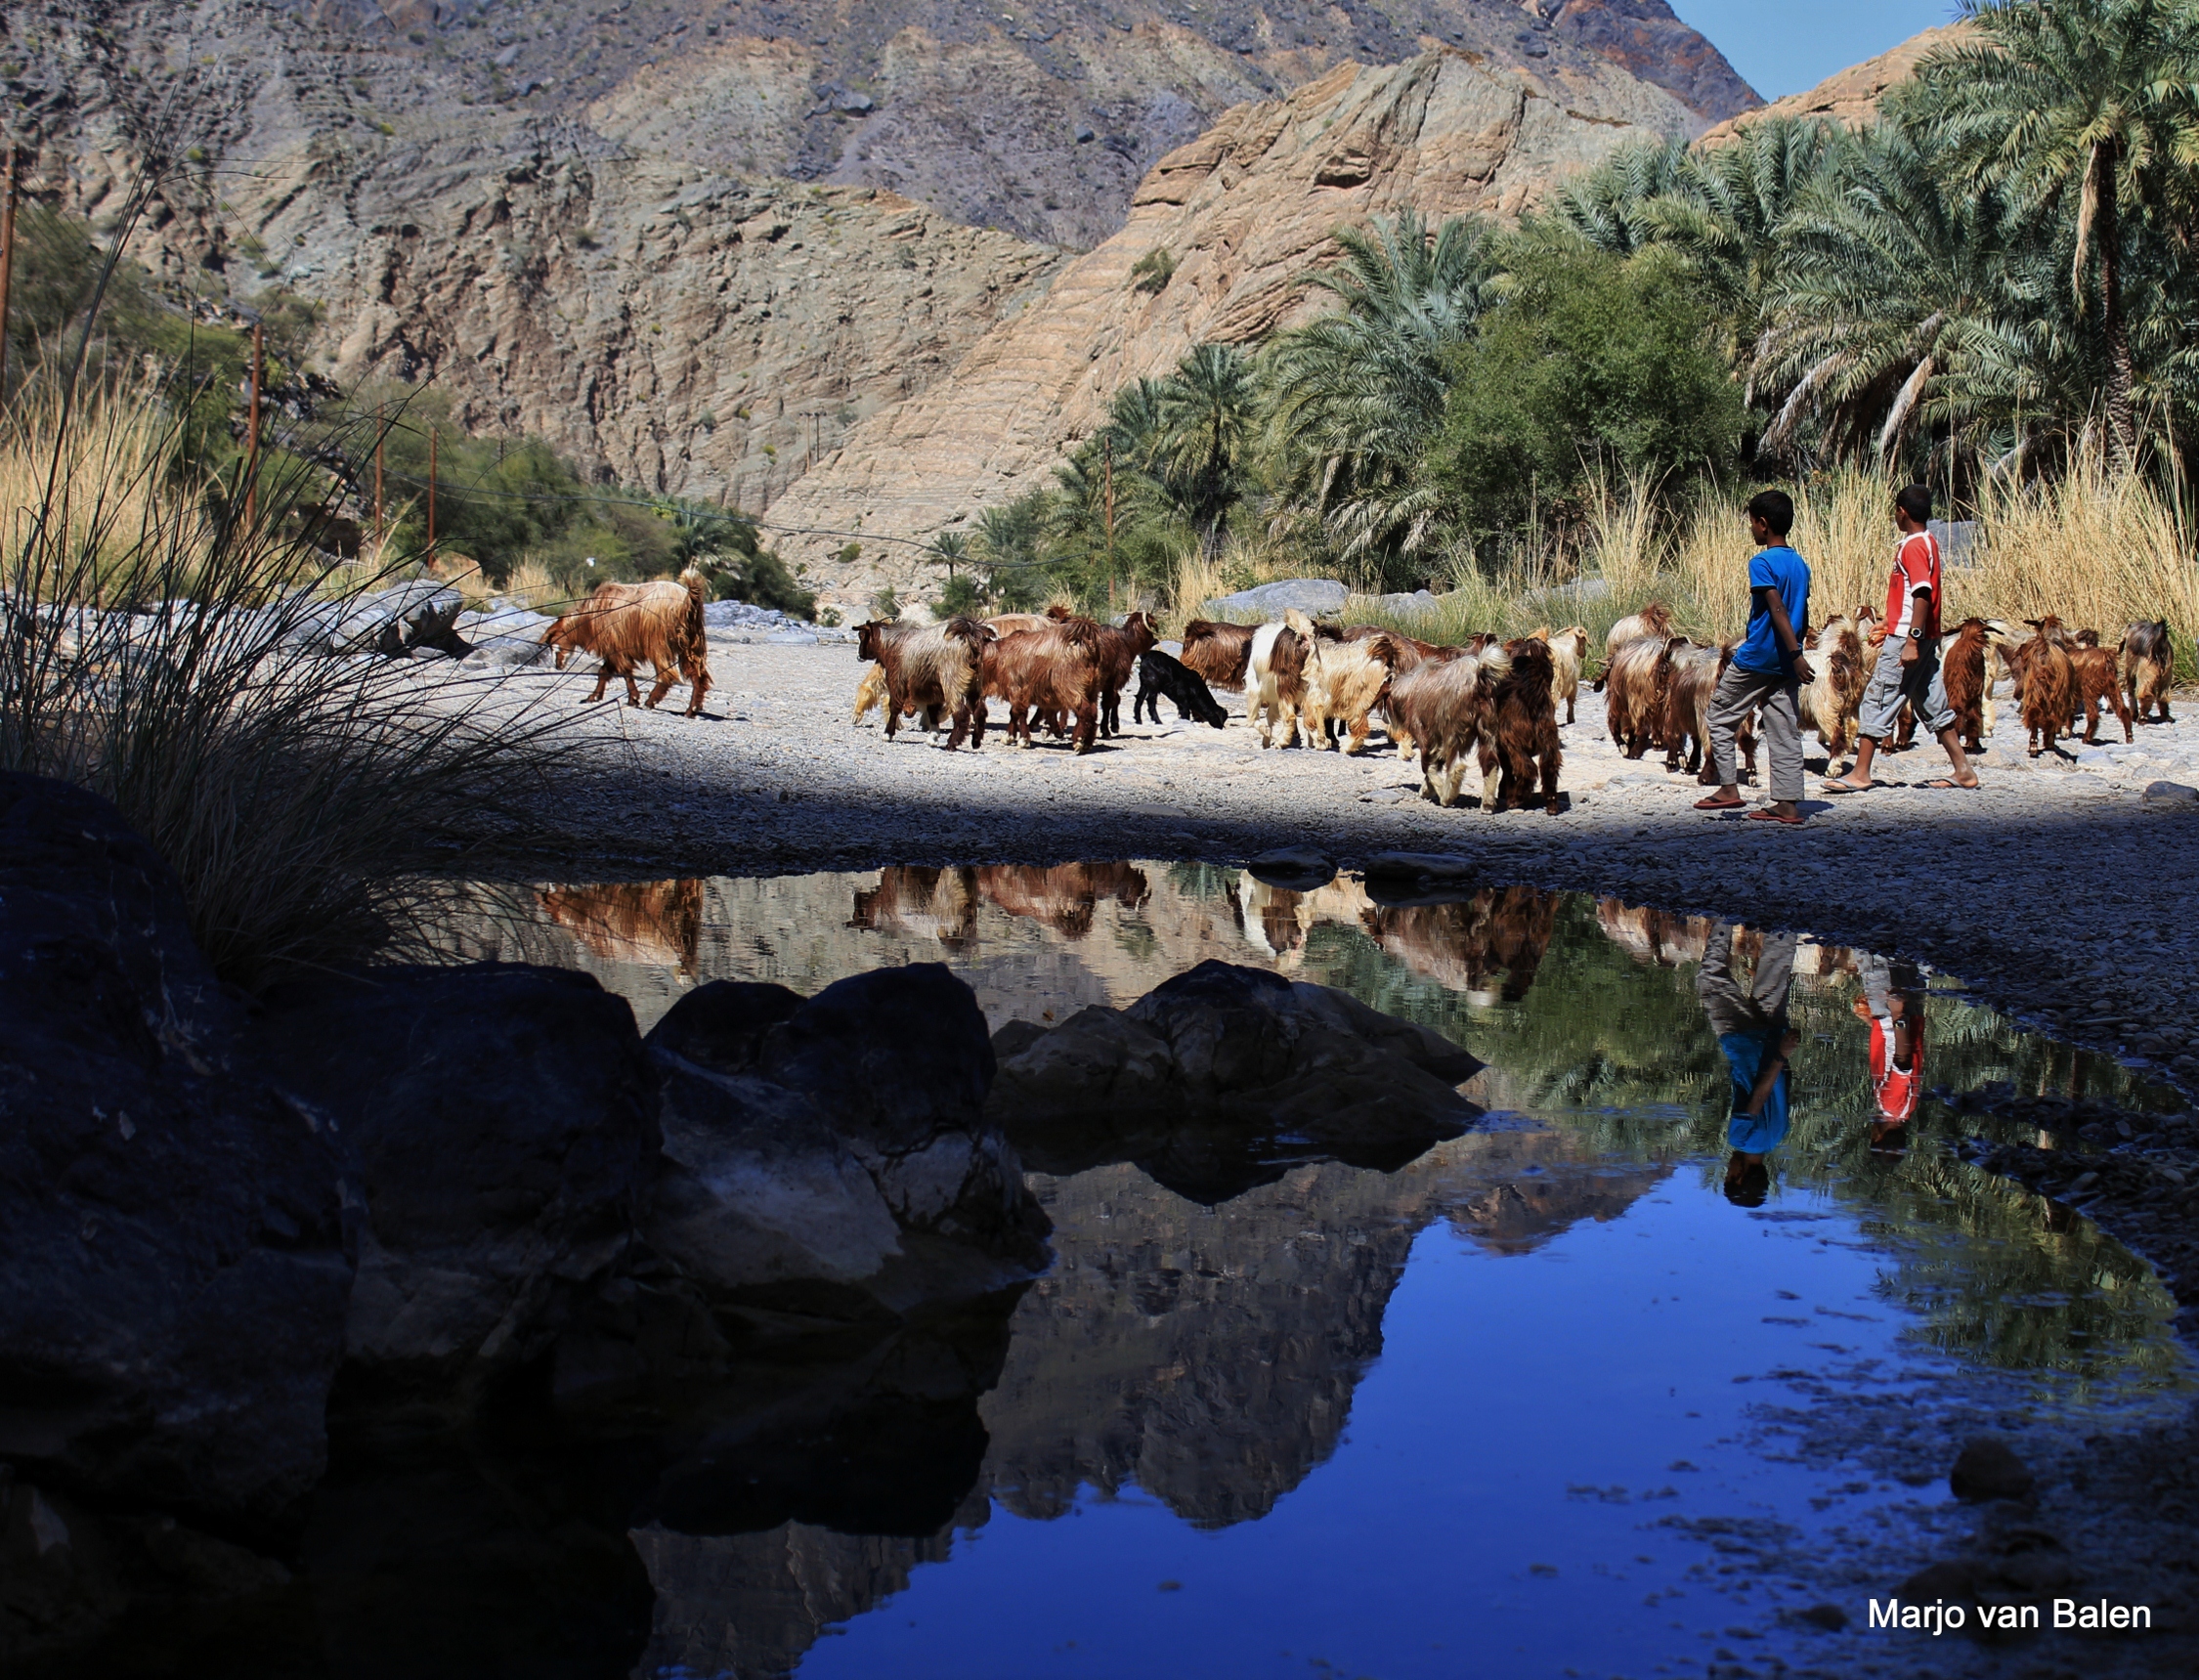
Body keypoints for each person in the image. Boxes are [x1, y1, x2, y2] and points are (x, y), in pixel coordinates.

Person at [1825, 485, 1979, 794]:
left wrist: (1911, 639)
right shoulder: (1927, 542)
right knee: (1932, 702)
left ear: (1901, 512)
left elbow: (1922, 594)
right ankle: (1963, 769)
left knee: (1878, 698)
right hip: (1917, 635)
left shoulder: (1913, 547)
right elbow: (1911, 596)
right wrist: (1889, 620)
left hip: (1909, 639)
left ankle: (1861, 772)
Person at [1695, 490, 1815, 826]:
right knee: (1784, 728)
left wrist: (1794, 652)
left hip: (1759, 656)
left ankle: (1728, 788)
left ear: (1762, 524)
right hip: (1787, 663)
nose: (1751, 529)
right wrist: (1797, 654)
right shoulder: (1799, 563)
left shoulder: (1761, 562)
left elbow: (1776, 608)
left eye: (1751, 523)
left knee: (1719, 716)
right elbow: (1800, 612)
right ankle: (1787, 805)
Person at [1698, 922, 1800, 1206]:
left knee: (1775, 969)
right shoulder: (1740, 1140)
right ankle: (1723, 917)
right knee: (1710, 979)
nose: (1727, 1171)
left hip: (1771, 1038)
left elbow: (1783, 1088)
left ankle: (1787, 915)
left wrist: (1780, 1050)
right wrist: (1781, 1056)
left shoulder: (1777, 1137)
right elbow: (1759, 1095)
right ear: (1739, 1177)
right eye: (1728, 1177)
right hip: (1744, 1044)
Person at [1854, 955, 1925, 1155]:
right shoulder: (1891, 1106)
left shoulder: (1907, 1110)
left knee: (1907, 961)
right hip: (1892, 1016)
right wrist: (1897, 1013)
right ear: (1878, 1136)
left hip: (1904, 1022)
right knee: (1877, 959)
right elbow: (1902, 1063)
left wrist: (1870, 1023)